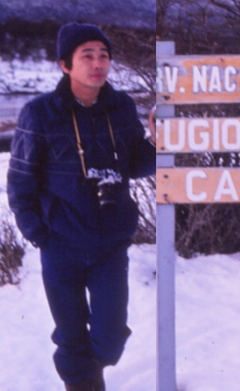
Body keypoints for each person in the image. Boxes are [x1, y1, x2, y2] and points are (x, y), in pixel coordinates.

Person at [7, 23, 156, 391]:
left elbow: (136, 164)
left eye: (103, 55)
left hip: (110, 244)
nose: (97, 64)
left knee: (109, 340)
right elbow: (20, 182)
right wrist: (40, 234)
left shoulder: (121, 106)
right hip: (61, 245)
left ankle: (90, 372)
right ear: (65, 65)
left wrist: (159, 143)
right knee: (71, 338)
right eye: (86, 56)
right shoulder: (39, 114)